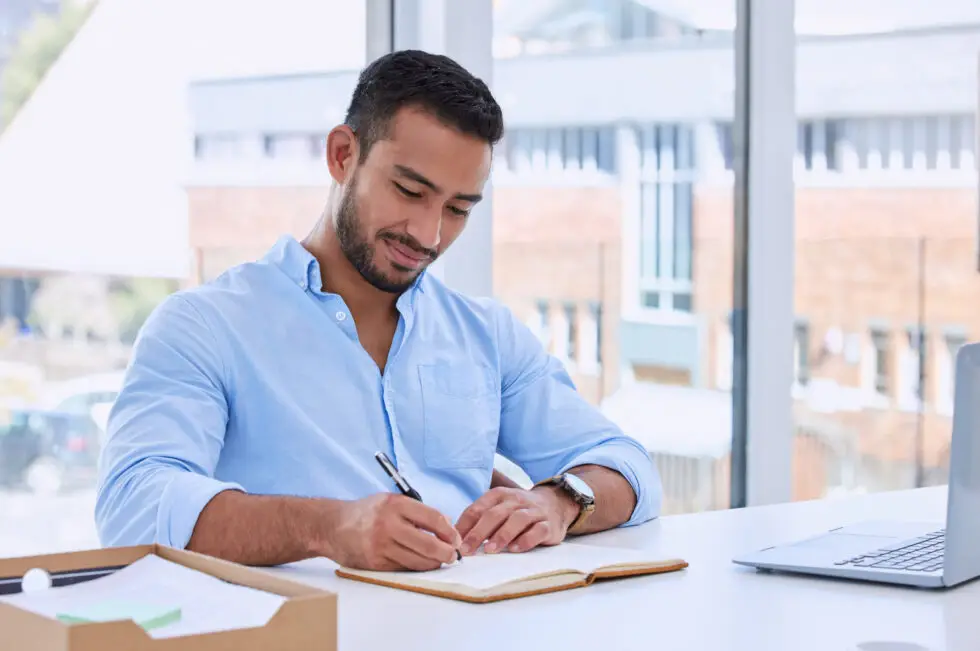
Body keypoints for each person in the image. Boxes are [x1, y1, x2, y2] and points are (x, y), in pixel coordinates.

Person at [95, 50, 662, 571]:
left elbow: (626, 463)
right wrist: (326, 528)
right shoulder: (205, 327)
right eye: (410, 191)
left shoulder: (486, 334)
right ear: (343, 155)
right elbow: (132, 505)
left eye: (459, 208)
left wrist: (561, 500)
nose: (429, 234)